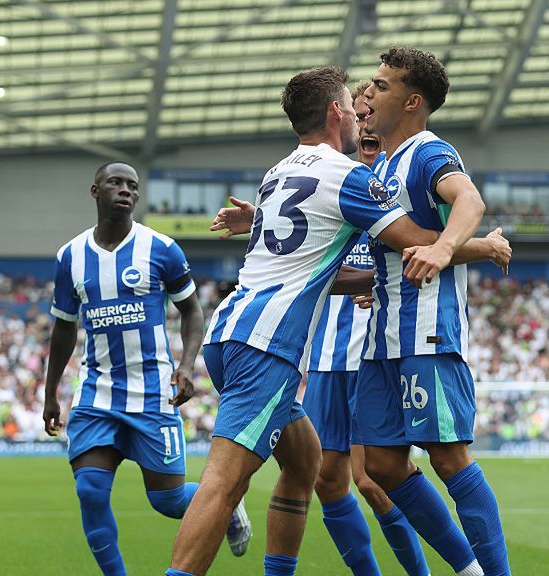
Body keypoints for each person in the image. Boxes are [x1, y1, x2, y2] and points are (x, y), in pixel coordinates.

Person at [167, 66, 507, 576]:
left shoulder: (279, 172)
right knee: (224, 483)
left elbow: (306, 236)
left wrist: (254, 219)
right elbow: (412, 237)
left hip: (229, 329)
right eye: (353, 104)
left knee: (309, 465)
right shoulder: (351, 176)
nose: (360, 111)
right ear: (334, 113)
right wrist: (483, 246)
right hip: (267, 345)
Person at [210, 80, 433, 576]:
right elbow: (304, 247)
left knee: (373, 479)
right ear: (343, 117)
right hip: (322, 354)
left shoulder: (374, 187)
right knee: (325, 479)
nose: (366, 135)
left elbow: (409, 251)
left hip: (366, 348)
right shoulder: (334, 181)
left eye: (374, 133)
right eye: (360, 122)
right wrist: (259, 220)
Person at [42, 161, 251, 576]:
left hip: (153, 392)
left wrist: (187, 366)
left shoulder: (162, 248)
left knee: (168, 502)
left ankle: (227, 506)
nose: (125, 190)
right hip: (97, 391)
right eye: (115, 182)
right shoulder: (70, 256)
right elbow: (63, 329)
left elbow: (192, 312)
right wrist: (51, 393)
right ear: (95, 190)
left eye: (132, 186)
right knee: (90, 489)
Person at [357, 47, 512, 575]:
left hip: (425, 331)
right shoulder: (380, 164)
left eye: (381, 85)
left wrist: (445, 249)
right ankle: (467, 570)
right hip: (381, 338)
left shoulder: (428, 152)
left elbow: (469, 200)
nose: (370, 91)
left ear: (412, 100)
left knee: (448, 458)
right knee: (380, 465)